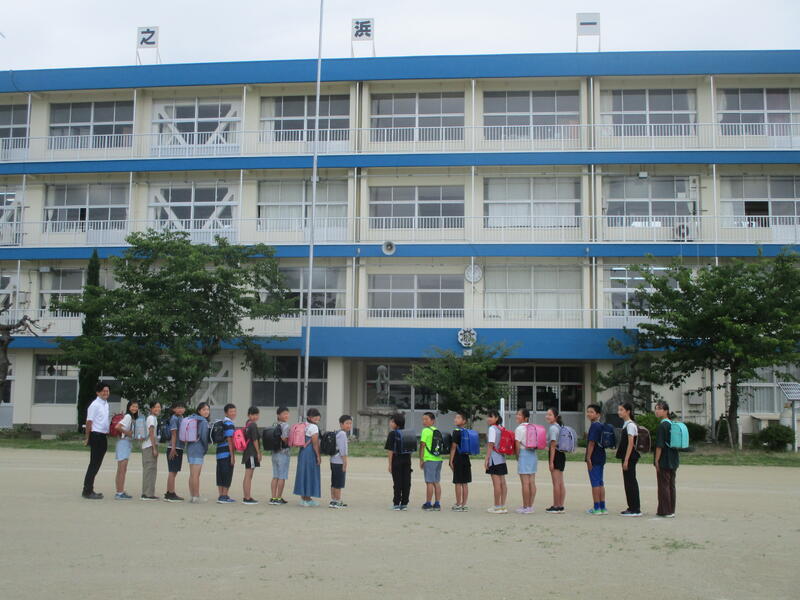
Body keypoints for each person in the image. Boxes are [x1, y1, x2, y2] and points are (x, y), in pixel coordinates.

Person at [82, 382, 111, 499]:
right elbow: (89, 422)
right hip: (96, 435)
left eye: (107, 391)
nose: (106, 393)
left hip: (103, 436)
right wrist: (87, 437)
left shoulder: (106, 404)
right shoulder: (94, 405)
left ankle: (90, 488)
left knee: (97, 464)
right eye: (103, 391)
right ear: (98, 392)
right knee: (94, 464)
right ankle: (87, 490)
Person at [654, 400, 679, 518]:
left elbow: (659, 445)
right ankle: (671, 509)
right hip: (674, 458)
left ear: (666, 411)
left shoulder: (662, 426)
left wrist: (656, 460)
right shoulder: (672, 424)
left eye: (659, 409)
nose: (657, 411)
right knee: (671, 485)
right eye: (656, 408)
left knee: (663, 485)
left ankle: (665, 510)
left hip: (664, 459)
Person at [617, 402, 642, 517]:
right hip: (628, 457)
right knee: (628, 482)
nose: (619, 412)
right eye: (619, 410)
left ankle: (635, 508)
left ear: (628, 411)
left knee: (631, 482)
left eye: (621, 410)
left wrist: (626, 460)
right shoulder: (626, 424)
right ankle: (631, 507)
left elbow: (630, 443)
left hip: (630, 457)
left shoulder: (630, 425)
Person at [293, 408, 322, 506]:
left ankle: (303, 498)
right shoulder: (314, 427)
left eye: (317, 415)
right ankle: (308, 499)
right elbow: (315, 443)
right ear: (309, 417)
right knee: (310, 474)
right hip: (310, 452)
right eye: (314, 416)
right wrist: (318, 456)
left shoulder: (304, 425)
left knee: (303, 473)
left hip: (302, 451)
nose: (317, 417)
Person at [113, 399, 139, 500]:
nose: (135, 408)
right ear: (129, 407)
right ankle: (120, 493)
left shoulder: (131, 417)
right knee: (122, 470)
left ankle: (119, 490)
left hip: (124, 443)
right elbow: (117, 427)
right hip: (124, 443)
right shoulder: (128, 417)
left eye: (136, 407)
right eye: (133, 406)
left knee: (121, 469)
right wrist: (128, 433)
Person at [385, 413, 411, 510]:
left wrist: (390, 464)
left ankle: (396, 503)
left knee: (397, 482)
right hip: (407, 460)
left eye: (392, 421)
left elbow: (390, 450)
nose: (390, 423)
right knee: (406, 482)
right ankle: (404, 503)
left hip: (396, 460)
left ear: (397, 423)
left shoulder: (392, 434)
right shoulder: (407, 433)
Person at [186, 402, 211, 504]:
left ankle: (192, 496)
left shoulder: (192, 418)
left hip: (190, 448)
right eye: (204, 409)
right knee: (196, 475)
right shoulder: (203, 421)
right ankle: (196, 496)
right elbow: (204, 437)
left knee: (192, 474)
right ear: (199, 411)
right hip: (198, 449)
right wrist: (206, 448)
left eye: (207, 409)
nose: (206, 411)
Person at [585, 404, 608, 515]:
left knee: (595, 483)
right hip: (601, 456)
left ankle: (596, 507)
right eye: (588, 411)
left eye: (591, 412)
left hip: (594, 457)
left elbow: (591, 443)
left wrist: (588, 458)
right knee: (600, 482)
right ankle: (603, 507)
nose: (588, 414)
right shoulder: (601, 425)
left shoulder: (594, 426)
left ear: (598, 414)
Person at [514, 408, 537, 514]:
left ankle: (526, 506)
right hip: (533, 454)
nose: (517, 416)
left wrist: (517, 456)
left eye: (519, 415)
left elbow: (517, 444)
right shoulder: (532, 427)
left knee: (525, 483)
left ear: (525, 417)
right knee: (531, 481)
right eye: (517, 414)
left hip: (524, 454)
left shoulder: (519, 429)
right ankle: (530, 506)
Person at [485, 410, 508, 514]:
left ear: (497, 418)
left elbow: (490, 445)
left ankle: (497, 506)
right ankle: (503, 506)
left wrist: (487, 459)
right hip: (502, 458)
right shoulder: (500, 428)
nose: (489, 418)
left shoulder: (492, 429)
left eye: (491, 416)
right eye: (488, 416)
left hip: (494, 459)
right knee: (503, 483)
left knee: (497, 484)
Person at [419, 411, 443, 511]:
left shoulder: (425, 431)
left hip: (429, 459)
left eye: (426, 419)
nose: (424, 421)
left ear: (433, 421)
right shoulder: (436, 430)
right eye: (423, 419)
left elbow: (422, 446)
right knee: (436, 482)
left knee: (429, 482)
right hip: (438, 459)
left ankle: (428, 503)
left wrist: (421, 459)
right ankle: (437, 504)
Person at [449, 411, 472, 512]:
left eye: (458, 418)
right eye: (455, 418)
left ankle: (458, 504)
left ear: (464, 421)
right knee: (465, 483)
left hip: (458, 459)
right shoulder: (467, 432)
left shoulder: (456, 431)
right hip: (466, 459)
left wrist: (451, 460)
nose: (455, 419)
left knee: (458, 482)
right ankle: (464, 504)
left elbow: (453, 447)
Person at [544, 407, 566, 514]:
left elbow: (552, 445)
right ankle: (560, 505)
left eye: (550, 415)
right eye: (547, 414)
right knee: (560, 482)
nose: (547, 416)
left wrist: (551, 462)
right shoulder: (559, 427)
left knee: (556, 483)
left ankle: (556, 506)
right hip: (561, 455)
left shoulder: (553, 428)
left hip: (555, 455)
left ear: (556, 417)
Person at [164, 401, 187, 502]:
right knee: (172, 471)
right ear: (173, 409)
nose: (180, 409)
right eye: (178, 407)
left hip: (179, 447)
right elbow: (174, 434)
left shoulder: (181, 418)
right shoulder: (174, 418)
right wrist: (173, 448)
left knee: (174, 471)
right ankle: (171, 494)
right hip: (174, 448)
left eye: (182, 407)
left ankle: (169, 492)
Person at [216, 403, 237, 504]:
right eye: (231, 411)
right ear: (226, 413)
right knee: (227, 474)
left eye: (234, 411)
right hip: (226, 452)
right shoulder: (229, 424)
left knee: (220, 474)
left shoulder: (222, 422)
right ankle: (224, 496)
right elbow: (230, 440)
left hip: (219, 452)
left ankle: (221, 495)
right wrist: (232, 455)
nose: (233, 413)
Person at [329, 414, 352, 509]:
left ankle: (333, 500)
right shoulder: (342, 434)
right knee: (338, 483)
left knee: (334, 481)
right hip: (339, 461)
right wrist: (345, 463)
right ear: (341, 424)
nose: (349, 425)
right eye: (347, 423)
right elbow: (343, 451)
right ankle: (337, 501)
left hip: (333, 460)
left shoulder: (337, 432)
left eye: (350, 423)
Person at [269, 406, 291, 505]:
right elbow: (285, 439)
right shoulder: (286, 426)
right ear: (278, 415)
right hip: (283, 453)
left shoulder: (274, 424)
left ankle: (273, 497)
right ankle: (278, 498)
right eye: (284, 414)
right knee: (282, 476)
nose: (286, 415)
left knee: (275, 476)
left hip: (274, 453)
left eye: (287, 413)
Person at [140, 400, 161, 501]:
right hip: (149, 446)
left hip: (148, 445)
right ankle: (148, 494)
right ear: (151, 409)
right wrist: (154, 448)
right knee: (150, 470)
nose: (158, 409)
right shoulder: (151, 418)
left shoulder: (152, 418)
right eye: (156, 407)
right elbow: (151, 433)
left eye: (159, 407)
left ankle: (147, 492)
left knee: (149, 470)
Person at [242, 406, 262, 505]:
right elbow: (255, 440)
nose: (255, 417)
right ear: (248, 415)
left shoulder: (247, 424)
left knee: (248, 475)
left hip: (247, 452)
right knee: (249, 475)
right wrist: (258, 452)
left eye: (256, 415)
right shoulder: (253, 425)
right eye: (252, 415)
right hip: (251, 452)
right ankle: (247, 497)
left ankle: (247, 496)